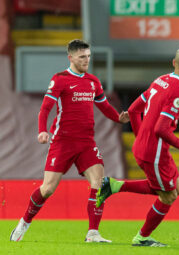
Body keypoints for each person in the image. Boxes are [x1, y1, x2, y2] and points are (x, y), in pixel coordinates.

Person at [10, 39, 129, 243]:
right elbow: (45, 108)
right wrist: (42, 131)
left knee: (99, 183)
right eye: (82, 57)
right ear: (71, 57)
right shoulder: (60, 79)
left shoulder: (93, 81)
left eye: (89, 56)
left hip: (86, 142)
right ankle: (24, 223)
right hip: (63, 141)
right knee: (47, 189)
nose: (86, 60)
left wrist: (118, 117)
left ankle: (93, 233)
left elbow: (104, 105)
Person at [95, 47, 179, 247]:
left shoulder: (160, 80)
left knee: (176, 188)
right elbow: (161, 129)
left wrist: (141, 137)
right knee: (168, 196)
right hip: (155, 153)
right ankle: (141, 238)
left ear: (173, 63)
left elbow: (133, 110)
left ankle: (114, 185)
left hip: (150, 149)